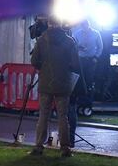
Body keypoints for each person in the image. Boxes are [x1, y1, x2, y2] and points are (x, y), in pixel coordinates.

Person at [29, 18, 80, 157]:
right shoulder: (69, 41)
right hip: (63, 83)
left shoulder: (41, 40)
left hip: (46, 82)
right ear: (60, 24)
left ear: (49, 24)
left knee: (43, 115)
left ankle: (38, 146)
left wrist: (43, 68)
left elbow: (34, 61)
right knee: (63, 116)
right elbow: (75, 64)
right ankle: (65, 148)